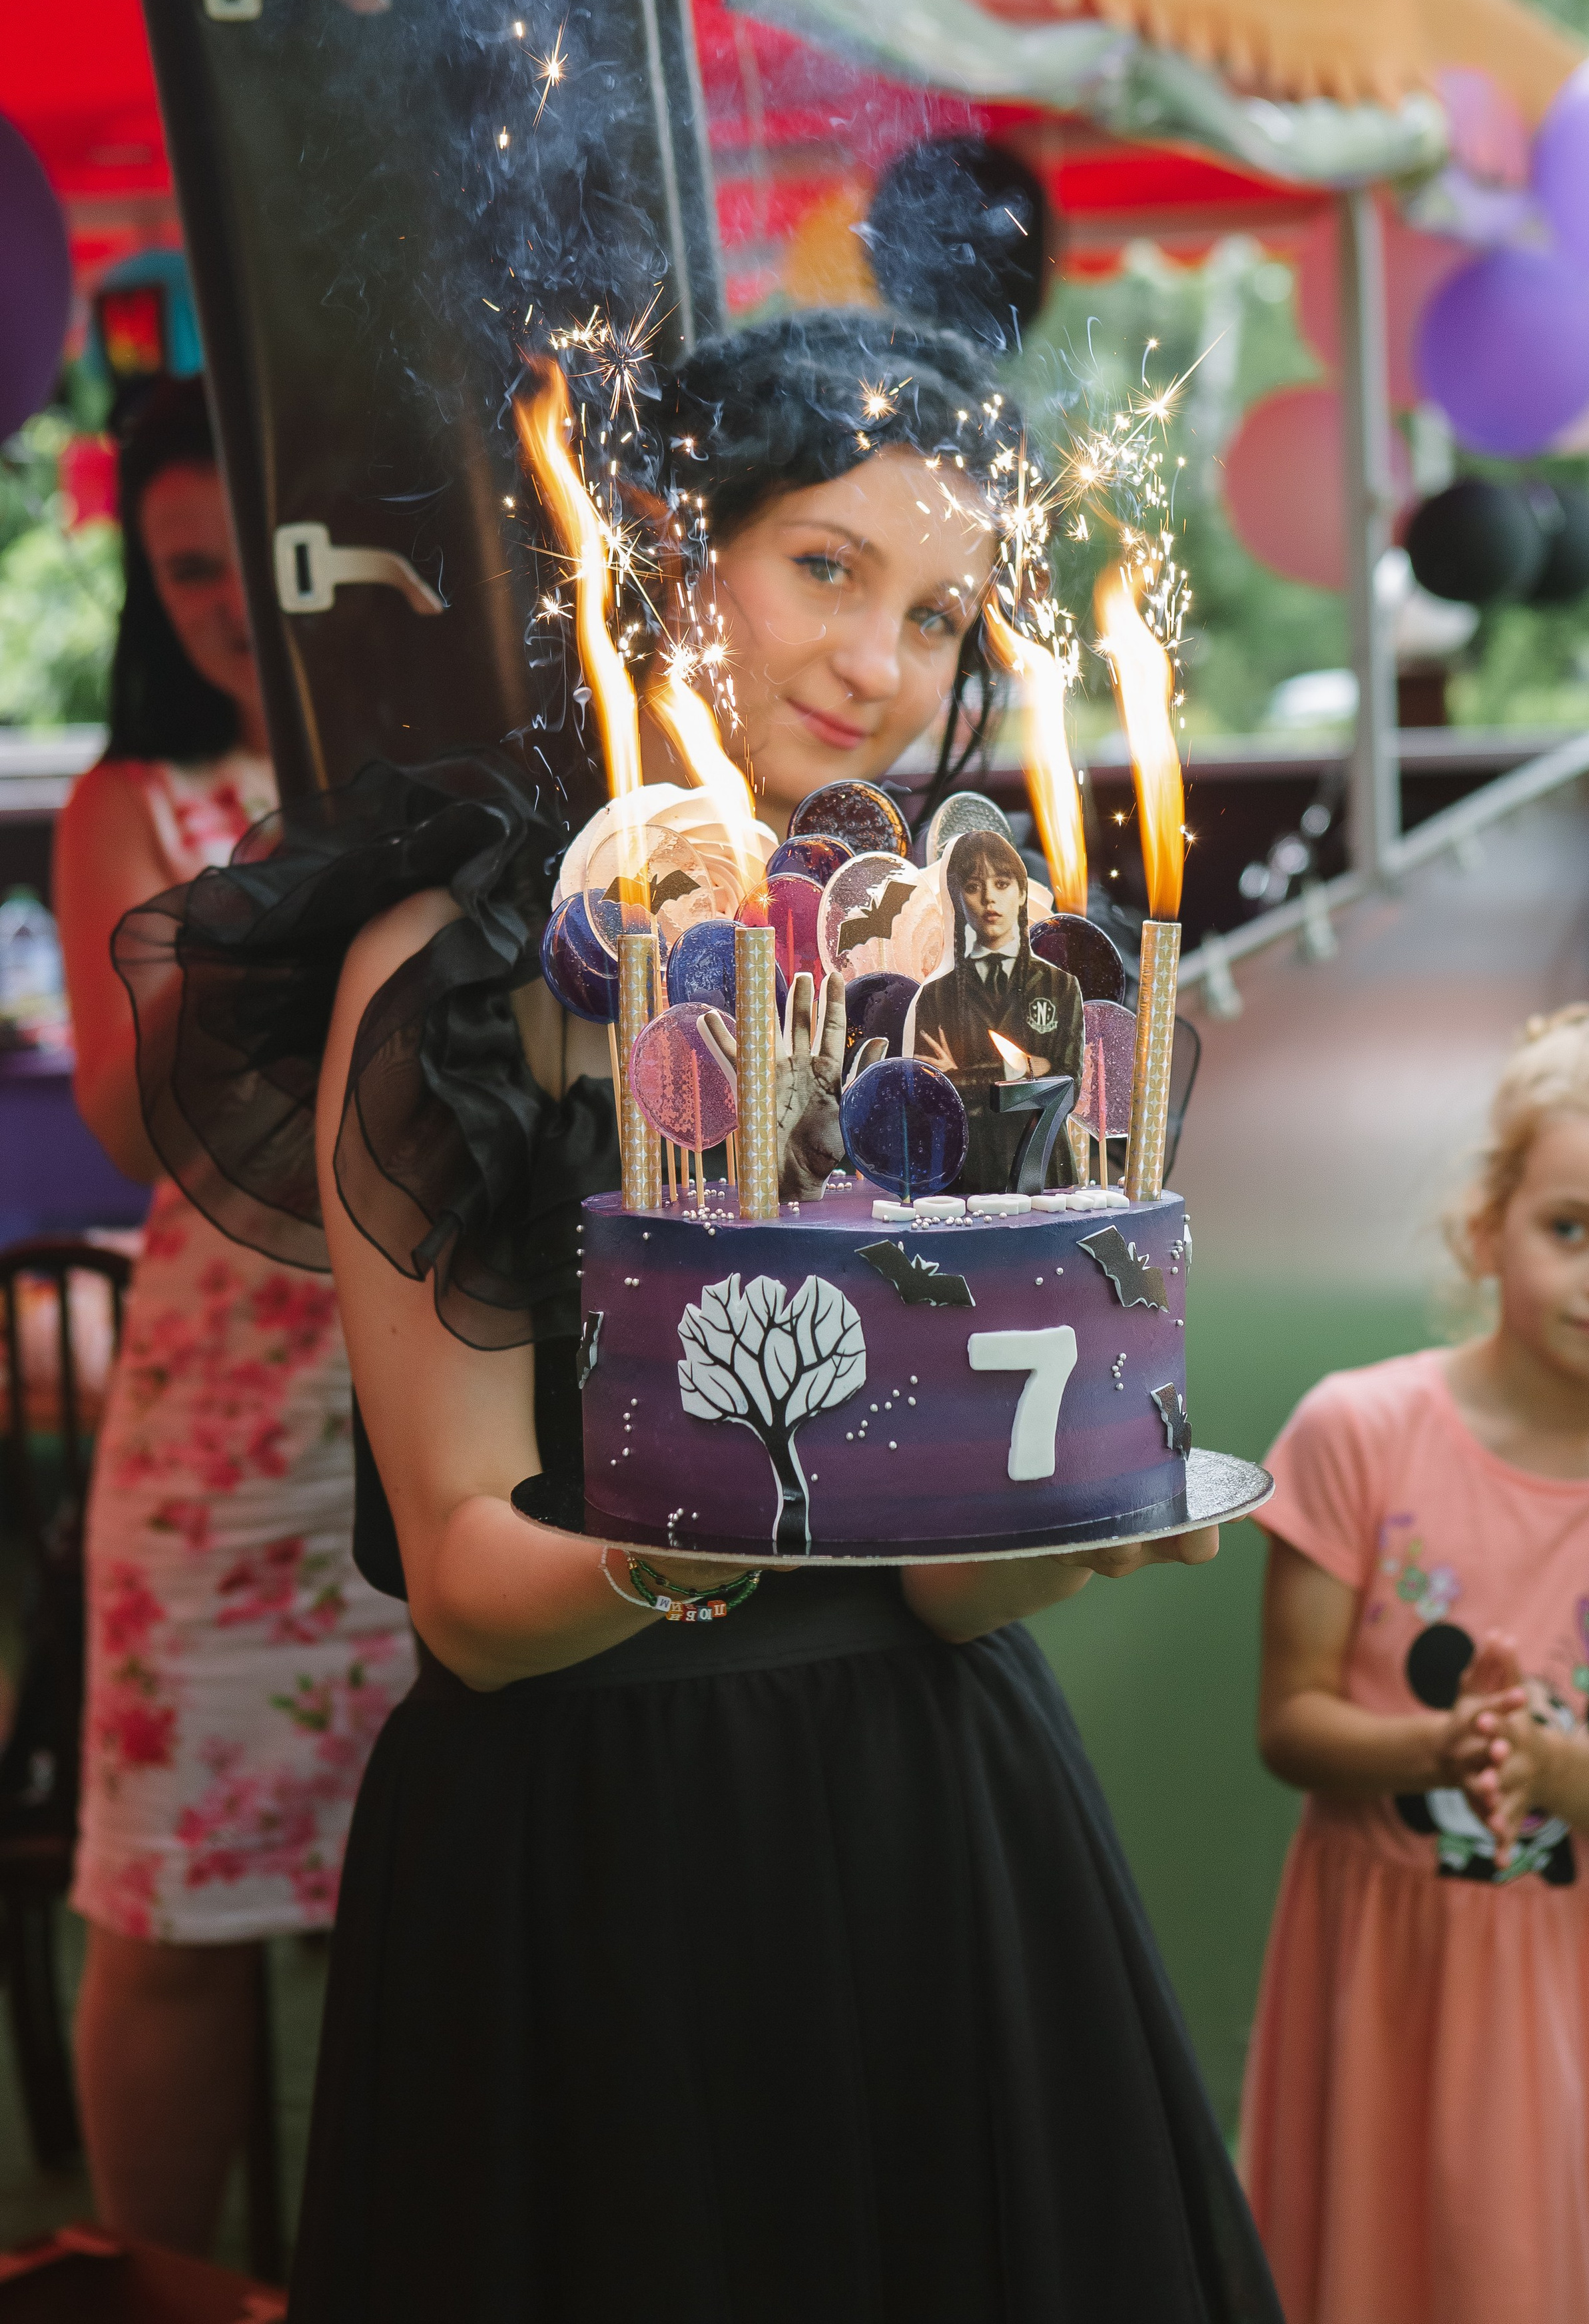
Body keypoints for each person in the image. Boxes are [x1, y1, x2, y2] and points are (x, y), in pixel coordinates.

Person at [119, 313, 1281, 2321]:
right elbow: (470, 1583)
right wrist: (775, 1487)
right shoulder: (465, 967)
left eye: (938, 613)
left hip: (937, 1824)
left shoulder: (941, 962)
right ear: (663, 552)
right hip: (597, 1858)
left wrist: (1060, 1512)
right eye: (824, 566)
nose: (877, 663)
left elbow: (945, 1586)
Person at [53, 379, 416, 2254]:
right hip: (220, 1428)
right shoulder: (134, 804)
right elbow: (128, 1123)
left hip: (418, 1402)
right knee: (173, 1908)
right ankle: (154, 2287)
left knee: (424, 1908)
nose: (212, 600)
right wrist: (250, 893)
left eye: (238, 560)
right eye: (175, 567)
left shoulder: (437, 754)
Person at [1240, 1004, 1589, 2324]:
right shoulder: (1352, 1431)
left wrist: (1553, 1768)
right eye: (1569, 1228)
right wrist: (1434, 1749)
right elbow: (1288, 1724)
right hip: (1382, 1972)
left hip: (1585, 1989)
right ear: (1483, 1224)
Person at [910, 825, 1084, 1191]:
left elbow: (1068, 1086)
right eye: (973, 887)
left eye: (1002, 884)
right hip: (963, 1175)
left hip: (1044, 1172)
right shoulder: (934, 997)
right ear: (957, 898)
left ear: (1022, 893)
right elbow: (931, 1097)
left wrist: (963, 1075)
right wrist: (1020, 1068)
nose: (989, 898)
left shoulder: (1061, 987)